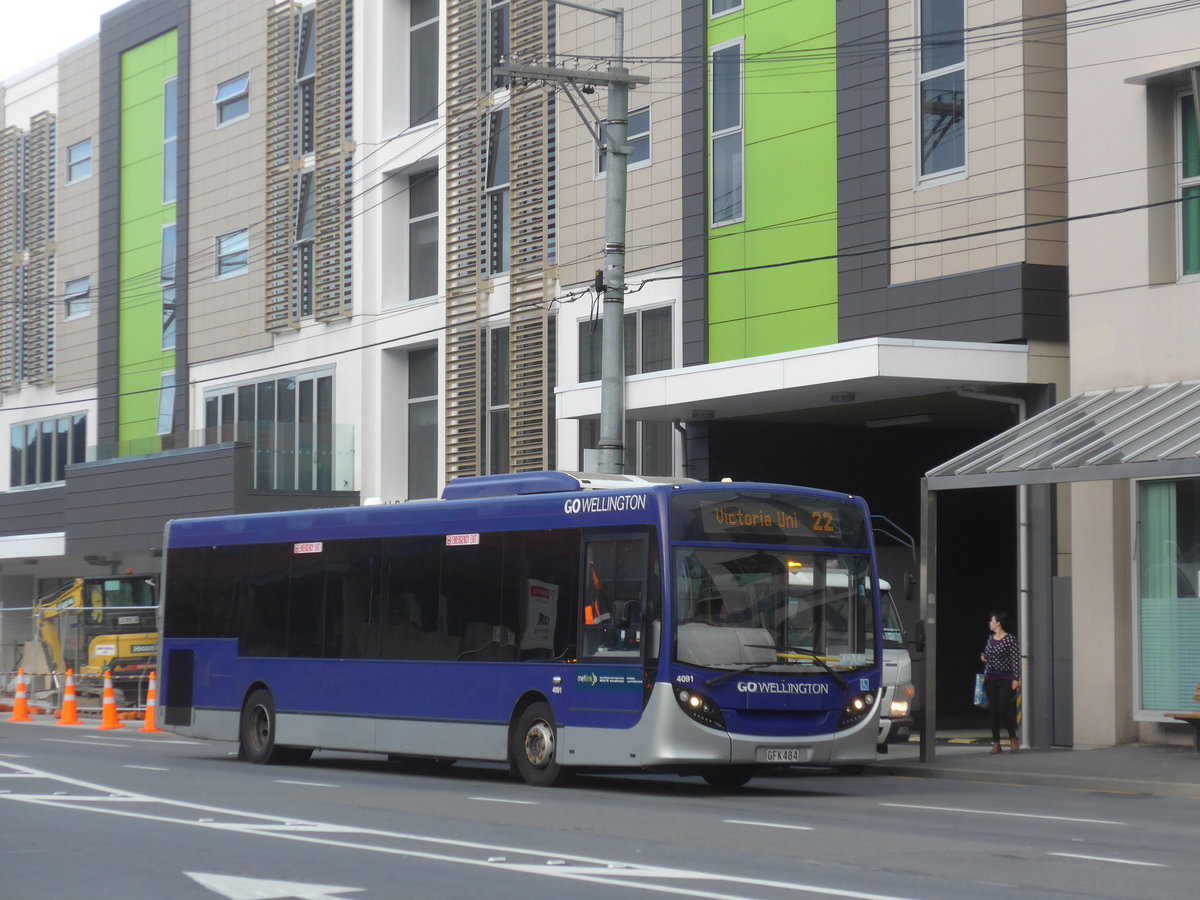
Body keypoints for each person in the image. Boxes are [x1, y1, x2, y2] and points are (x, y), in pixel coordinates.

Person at [979, 610, 1021, 754]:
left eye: (992, 620)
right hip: (991, 678)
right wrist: (983, 657)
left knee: (1004, 708)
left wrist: (1016, 678)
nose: (990, 623)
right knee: (994, 711)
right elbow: (986, 653)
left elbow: (1016, 660)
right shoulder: (990, 638)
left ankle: (1013, 739)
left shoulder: (1010, 639)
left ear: (998, 623)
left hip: (1006, 678)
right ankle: (996, 743)